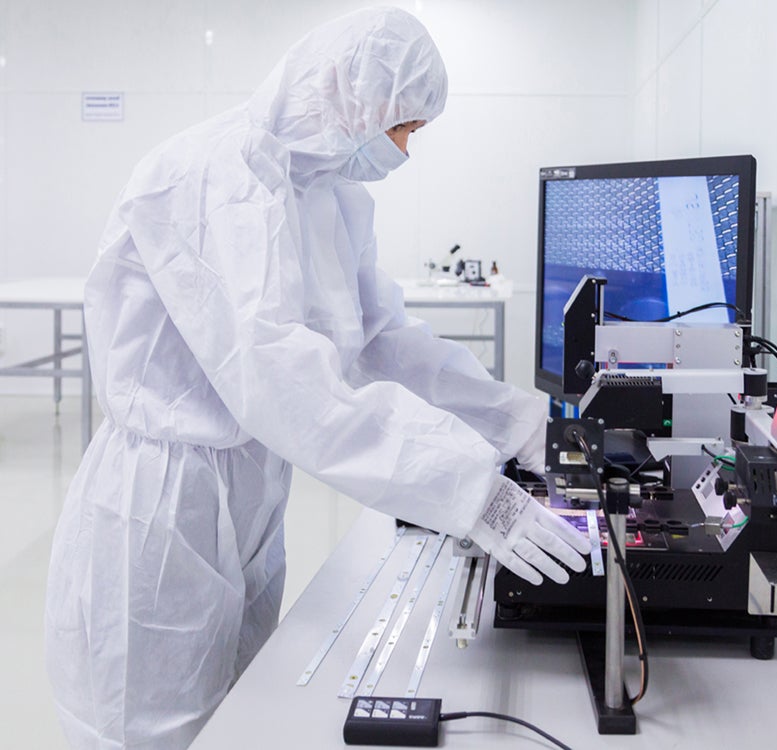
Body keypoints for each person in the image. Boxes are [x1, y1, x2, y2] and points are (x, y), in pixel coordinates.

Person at [45, 7, 590, 749]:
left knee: (238, 711)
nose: (404, 149)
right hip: (164, 504)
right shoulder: (213, 177)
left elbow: (382, 344)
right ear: (348, 91)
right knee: (148, 727)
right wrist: (466, 488)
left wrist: (517, 422)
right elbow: (280, 380)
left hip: (251, 489)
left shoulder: (331, 196)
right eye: (403, 126)